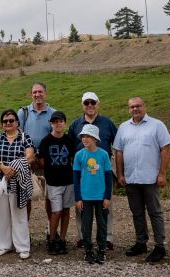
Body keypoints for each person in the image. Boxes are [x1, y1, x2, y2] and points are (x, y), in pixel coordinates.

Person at [115, 97, 170, 263]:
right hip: (131, 178)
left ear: (144, 107)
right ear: (128, 109)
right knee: (137, 212)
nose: (135, 109)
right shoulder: (124, 127)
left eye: (138, 106)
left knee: (155, 212)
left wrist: (162, 173)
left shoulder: (157, 125)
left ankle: (160, 246)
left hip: (150, 178)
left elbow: (165, 149)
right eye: (132, 107)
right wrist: (120, 174)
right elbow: (119, 152)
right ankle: (141, 242)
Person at [67, 92, 118, 249]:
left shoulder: (107, 123)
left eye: (93, 102)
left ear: (98, 103)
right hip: (83, 171)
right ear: (82, 105)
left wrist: (118, 169)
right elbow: (70, 148)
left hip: (103, 169)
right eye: (86, 102)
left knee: (105, 203)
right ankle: (83, 236)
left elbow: (117, 145)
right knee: (82, 204)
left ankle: (107, 237)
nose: (90, 105)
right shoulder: (76, 124)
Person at [0, 109, 34, 260]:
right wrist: (2, 167)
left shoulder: (24, 137)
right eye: (5, 121)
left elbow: (30, 156)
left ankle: (22, 247)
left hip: (17, 181)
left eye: (11, 120)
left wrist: (15, 167)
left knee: (19, 214)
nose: (8, 123)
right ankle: (2, 245)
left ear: (17, 122)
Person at [37, 111, 75, 255]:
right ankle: (52, 239)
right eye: (55, 121)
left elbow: (72, 159)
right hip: (53, 182)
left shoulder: (69, 141)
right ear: (51, 124)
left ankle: (63, 240)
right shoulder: (46, 141)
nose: (58, 124)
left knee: (66, 210)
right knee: (56, 211)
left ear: (64, 123)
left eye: (60, 121)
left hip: (68, 180)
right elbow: (41, 161)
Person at [73, 124, 113, 265]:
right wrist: (78, 198)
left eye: (88, 136)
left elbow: (108, 177)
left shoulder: (103, 154)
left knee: (102, 224)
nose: (85, 139)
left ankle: (101, 250)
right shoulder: (79, 155)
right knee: (86, 225)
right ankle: (88, 251)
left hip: (101, 197)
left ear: (95, 138)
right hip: (85, 197)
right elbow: (76, 179)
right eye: (83, 136)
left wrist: (107, 196)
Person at [16, 82, 55, 221]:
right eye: (34, 92)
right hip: (27, 159)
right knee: (26, 196)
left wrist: (43, 157)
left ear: (45, 93)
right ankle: (24, 231)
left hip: (46, 161)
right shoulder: (23, 112)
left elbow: (55, 137)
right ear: (31, 94)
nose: (37, 95)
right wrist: (29, 155)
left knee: (49, 196)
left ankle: (51, 231)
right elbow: (17, 134)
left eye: (40, 92)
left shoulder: (53, 113)